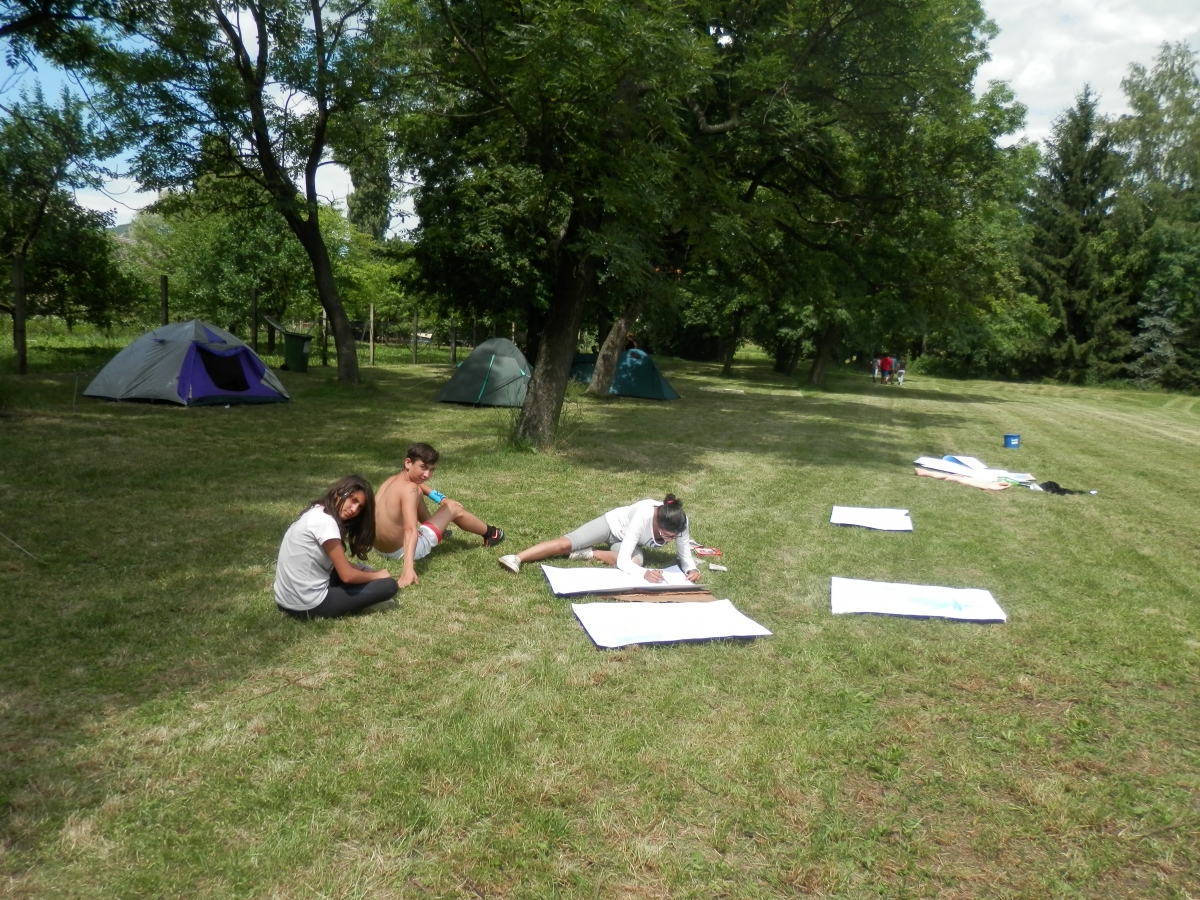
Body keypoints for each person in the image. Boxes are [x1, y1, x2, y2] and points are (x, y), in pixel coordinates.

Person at [374, 442, 504, 588]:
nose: (427, 475)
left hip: (379, 548)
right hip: (400, 551)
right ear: (408, 463)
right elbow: (410, 529)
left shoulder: (391, 480)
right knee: (453, 507)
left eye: (431, 470)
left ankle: (439, 530)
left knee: (418, 493)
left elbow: (418, 486)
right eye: (423, 467)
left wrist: (441, 499)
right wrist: (408, 569)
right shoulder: (410, 490)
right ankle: (492, 534)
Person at [498, 494, 701, 583]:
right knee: (566, 544)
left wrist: (691, 569)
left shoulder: (680, 522)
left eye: (673, 536)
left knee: (635, 562)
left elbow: (684, 553)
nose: (670, 540)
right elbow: (621, 561)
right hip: (611, 526)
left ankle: (591, 553)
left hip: (625, 542)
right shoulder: (644, 514)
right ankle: (517, 557)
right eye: (666, 535)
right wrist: (645, 574)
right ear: (657, 519)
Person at [274, 475, 398, 619]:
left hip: (284, 601)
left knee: (354, 574)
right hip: (307, 606)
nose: (354, 509)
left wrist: (364, 571)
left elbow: (337, 564)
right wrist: (377, 575)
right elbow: (347, 576)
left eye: (360, 507)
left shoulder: (316, 510)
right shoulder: (326, 523)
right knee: (389, 586)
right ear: (340, 492)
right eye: (353, 500)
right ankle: (366, 601)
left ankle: (361, 591)